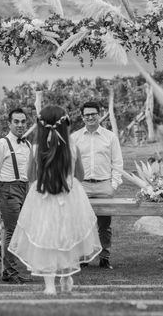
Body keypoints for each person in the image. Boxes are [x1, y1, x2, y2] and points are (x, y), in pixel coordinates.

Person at [9, 105, 101, 295]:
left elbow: (31, 176)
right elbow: (80, 176)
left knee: (47, 238)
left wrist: (43, 180)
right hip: (69, 198)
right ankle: (66, 275)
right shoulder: (72, 147)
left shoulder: (36, 148)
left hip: (43, 198)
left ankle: (50, 286)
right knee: (67, 235)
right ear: (64, 124)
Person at [70, 101, 123, 270]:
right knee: (81, 223)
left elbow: (117, 162)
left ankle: (104, 257)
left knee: (104, 225)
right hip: (82, 186)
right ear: (82, 117)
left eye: (93, 114)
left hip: (104, 186)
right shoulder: (75, 137)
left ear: (100, 114)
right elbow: (69, 163)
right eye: (87, 115)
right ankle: (83, 257)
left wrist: (113, 185)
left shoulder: (110, 137)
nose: (90, 117)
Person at [0, 108, 33, 284]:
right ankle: (11, 273)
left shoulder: (27, 144)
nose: (20, 125)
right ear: (9, 123)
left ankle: (10, 271)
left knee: (16, 231)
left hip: (23, 188)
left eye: (23, 121)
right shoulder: (2, 145)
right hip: (8, 189)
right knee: (13, 231)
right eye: (16, 121)